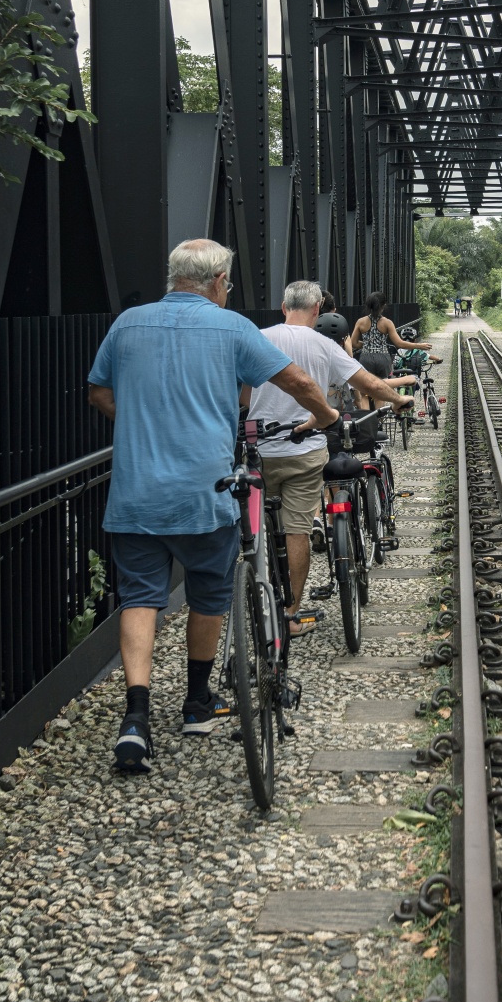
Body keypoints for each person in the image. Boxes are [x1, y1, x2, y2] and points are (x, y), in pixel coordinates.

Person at [87, 239, 340, 772]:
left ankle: (135, 719)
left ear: (174, 276)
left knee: (139, 597)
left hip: (136, 492)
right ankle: (196, 703)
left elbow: (99, 393)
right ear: (220, 280)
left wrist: (141, 425)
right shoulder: (232, 328)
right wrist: (326, 418)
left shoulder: (128, 324)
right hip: (206, 491)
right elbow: (294, 378)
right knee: (208, 592)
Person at [248, 281, 412, 637]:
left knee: (259, 530)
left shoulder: (257, 338)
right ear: (318, 309)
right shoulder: (324, 345)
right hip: (304, 450)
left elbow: (242, 392)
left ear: (282, 307)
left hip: (259, 449)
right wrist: (398, 401)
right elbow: (368, 383)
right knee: (297, 530)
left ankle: (257, 597)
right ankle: (290, 614)